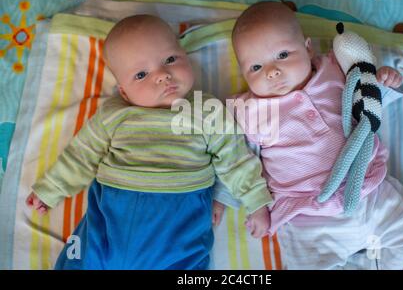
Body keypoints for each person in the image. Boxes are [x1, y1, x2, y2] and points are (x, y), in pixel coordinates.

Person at [26, 14, 272, 270]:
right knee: (87, 256)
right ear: (124, 91)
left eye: (170, 60)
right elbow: (81, 154)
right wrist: (51, 188)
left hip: (180, 211)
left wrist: (256, 201)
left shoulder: (206, 110)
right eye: (142, 74)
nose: (163, 75)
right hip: (116, 209)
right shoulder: (115, 114)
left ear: (185, 56)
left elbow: (235, 158)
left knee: (184, 263)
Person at [215, 1, 403, 269]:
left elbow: (368, 106)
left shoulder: (335, 71)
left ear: (308, 47)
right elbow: (233, 157)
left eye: (282, 55)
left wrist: (383, 82)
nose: (272, 72)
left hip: (367, 190)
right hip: (308, 216)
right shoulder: (250, 111)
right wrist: (232, 199)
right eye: (255, 68)